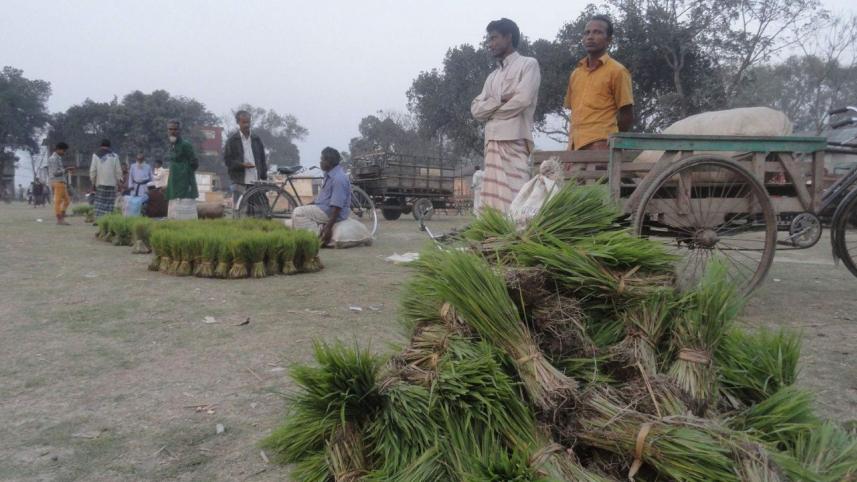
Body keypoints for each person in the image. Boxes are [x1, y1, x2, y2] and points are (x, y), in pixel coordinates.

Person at [470, 18, 541, 213]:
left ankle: (518, 240)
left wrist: (491, 111)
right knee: (493, 205)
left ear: (508, 37)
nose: (489, 44)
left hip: (515, 140)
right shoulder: (492, 77)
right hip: (491, 142)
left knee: (518, 199)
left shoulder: (528, 65)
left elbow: (522, 100)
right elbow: (475, 109)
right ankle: (495, 240)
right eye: (488, 39)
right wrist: (500, 99)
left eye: (494, 38)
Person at [563, 15, 634, 151]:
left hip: (601, 146)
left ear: (609, 40)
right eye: (587, 32)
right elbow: (575, 112)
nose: (590, 36)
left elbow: (627, 114)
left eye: (597, 32)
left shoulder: (618, 71)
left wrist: (611, 142)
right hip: (575, 147)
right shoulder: (576, 74)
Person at [291, 147, 350, 246]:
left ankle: (317, 239)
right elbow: (323, 198)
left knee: (298, 212)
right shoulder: (329, 174)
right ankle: (313, 234)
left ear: (329, 162)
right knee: (298, 210)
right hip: (324, 208)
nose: (320, 162)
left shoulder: (338, 178)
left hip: (331, 211)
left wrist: (328, 227)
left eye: (322, 160)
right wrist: (309, 205)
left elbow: (337, 206)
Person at [224, 110, 267, 206]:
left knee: (258, 211)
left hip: (256, 181)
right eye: (244, 122)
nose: (246, 125)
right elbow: (228, 161)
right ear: (238, 122)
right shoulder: (232, 141)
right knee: (239, 210)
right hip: (240, 181)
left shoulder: (256, 139)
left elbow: (262, 159)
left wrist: (264, 177)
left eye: (248, 122)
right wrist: (242, 165)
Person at [164, 120, 199, 220]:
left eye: (175, 129)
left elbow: (194, 162)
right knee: (173, 211)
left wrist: (186, 173)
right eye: (170, 129)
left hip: (185, 182)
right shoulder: (171, 145)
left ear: (180, 131)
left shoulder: (185, 145)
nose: (172, 131)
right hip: (174, 181)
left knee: (185, 211)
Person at [89, 139, 124, 218]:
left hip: (100, 183)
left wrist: (93, 182)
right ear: (109, 146)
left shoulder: (95, 155)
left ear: (101, 145)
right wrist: (119, 183)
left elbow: (93, 171)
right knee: (109, 203)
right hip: (111, 184)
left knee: (100, 203)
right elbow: (118, 171)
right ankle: (107, 219)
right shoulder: (115, 156)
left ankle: (99, 219)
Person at [47, 142, 74, 224]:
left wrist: (66, 170)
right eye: (63, 150)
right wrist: (66, 169)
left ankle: (62, 215)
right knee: (58, 201)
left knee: (67, 200)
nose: (64, 152)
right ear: (58, 149)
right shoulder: (53, 158)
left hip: (61, 181)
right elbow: (55, 172)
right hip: (57, 181)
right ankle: (59, 219)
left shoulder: (58, 158)